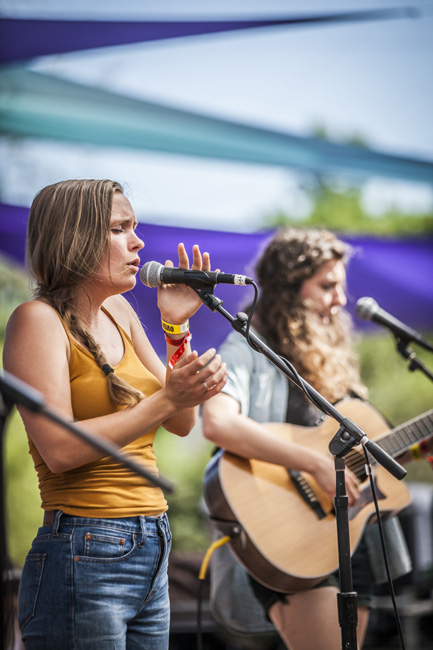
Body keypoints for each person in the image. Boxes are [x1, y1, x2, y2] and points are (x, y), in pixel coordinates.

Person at [2, 178, 227, 650]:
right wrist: (169, 398)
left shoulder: (121, 312)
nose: (139, 242)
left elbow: (180, 422)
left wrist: (175, 328)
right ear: (76, 238)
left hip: (152, 541)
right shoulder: (35, 320)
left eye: (135, 227)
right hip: (84, 546)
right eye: (120, 228)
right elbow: (60, 449)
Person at [202, 227, 412, 650]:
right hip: (291, 534)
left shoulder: (330, 361)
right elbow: (218, 424)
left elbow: (358, 455)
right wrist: (312, 462)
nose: (339, 301)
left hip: (353, 536)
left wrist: (415, 449)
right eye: (327, 285)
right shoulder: (246, 348)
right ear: (285, 286)